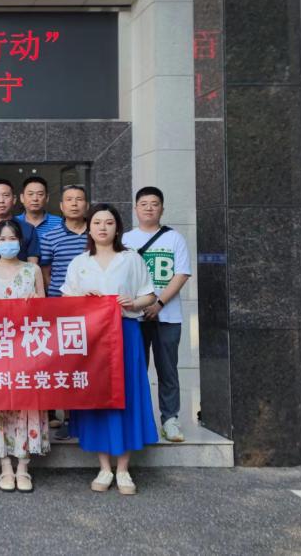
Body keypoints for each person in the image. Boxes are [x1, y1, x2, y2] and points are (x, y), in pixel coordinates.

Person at [62, 203, 158, 496]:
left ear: (117, 228)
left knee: (125, 394)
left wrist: (134, 302)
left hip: (125, 333)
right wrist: (83, 298)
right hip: (91, 338)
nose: (102, 228)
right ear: (89, 228)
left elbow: (149, 295)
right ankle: (104, 466)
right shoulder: (79, 262)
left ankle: (124, 468)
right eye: (97, 223)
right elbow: (66, 300)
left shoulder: (131, 259)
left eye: (109, 222)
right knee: (98, 396)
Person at [0, 219, 49, 493]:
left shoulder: (32, 270)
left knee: (27, 404)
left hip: (27, 349)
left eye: (12, 238)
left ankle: (23, 466)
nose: (8, 243)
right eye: (2, 238)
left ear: (21, 241)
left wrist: (35, 305)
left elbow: (45, 309)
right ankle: (5, 465)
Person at [122, 187, 192, 443]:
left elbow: (181, 274)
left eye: (154, 204)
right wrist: (138, 305)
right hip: (133, 316)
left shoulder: (174, 238)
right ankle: (137, 419)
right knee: (135, 369)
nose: (149, 208)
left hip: (168, 315)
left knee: (167, 369)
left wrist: (159, 303)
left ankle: (170, 419)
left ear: (162, 209)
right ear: (135, 209)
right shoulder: (126, 239)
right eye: (144, 204)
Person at [39, 184, 91, 438]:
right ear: (60, 206)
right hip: (59, 309)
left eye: (79, 199)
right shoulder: (50, 236)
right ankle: (57, 414)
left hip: (91, 312)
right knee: (60, 362)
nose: (74, 203)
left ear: (87, 205)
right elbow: (46, 272)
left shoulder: (96, 233)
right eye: (69, 199)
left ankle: (78, 418)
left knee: (83, 363)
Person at [16, 175, 63, 247]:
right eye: (30, 194)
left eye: (40, 194)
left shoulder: (60, 223)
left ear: (47, 198)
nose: (35, 198)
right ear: (22, 198)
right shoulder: (13, 223)